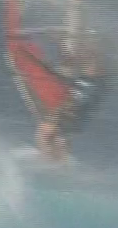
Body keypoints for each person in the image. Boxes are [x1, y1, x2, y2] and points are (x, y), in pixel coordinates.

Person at [35, 29, 113, 163]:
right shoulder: (95, 63)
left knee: (49, 130)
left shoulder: (96, 61)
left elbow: (71, 63)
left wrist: (61, 42)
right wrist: (61, 42)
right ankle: (57, 160)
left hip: (82, 97)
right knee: (56, 131)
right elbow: (70, 63)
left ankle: (54, 160)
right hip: (83, 96)